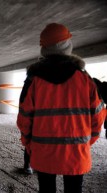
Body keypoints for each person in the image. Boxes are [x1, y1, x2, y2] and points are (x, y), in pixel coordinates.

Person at [17, 23, 106, 193]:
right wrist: (86, 142)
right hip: (76, 153)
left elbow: (24, 119)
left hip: (43, 153)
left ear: (44, 48)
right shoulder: (85, 79)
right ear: (68, 46)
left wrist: (29, 145)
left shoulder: (33, 81)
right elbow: (98, 116)